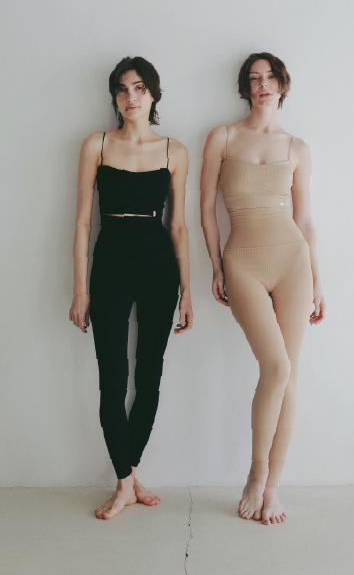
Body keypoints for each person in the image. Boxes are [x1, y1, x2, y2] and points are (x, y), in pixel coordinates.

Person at [200, 52, 326, 525]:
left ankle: (273, 487)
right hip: (243, 261)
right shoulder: (223, 136)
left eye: (270, 77)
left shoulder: (298, 148)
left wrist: (318, 280)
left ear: (282, 84)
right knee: (275, 366)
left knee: (289, 375)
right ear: (245, 88)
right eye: (254, 78)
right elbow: (206, 208)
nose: (263, 84)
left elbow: (305, 221)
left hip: (293, 261)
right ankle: (256, 474)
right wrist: (216, 265)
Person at [69, 56, 193, 520]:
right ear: (114, 97)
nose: (131, 97)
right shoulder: (96, 144)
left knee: (150, 374)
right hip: (111, 264)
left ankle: (129, 472)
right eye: (122, 89)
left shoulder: (174, 151)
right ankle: (125, 481)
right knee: (112, 376)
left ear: (153, 93)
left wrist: (188, 291)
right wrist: (80, 290)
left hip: (159, 266)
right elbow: (83, 223)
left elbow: (178, 227)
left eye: (139, 87)